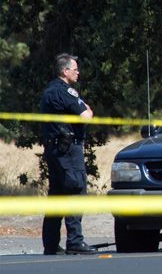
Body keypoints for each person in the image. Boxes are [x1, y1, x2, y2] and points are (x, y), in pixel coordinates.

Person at [39, 53, 97, 255]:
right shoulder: (66, 92)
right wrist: (87, 109)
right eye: (75, 69)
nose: (78, 72)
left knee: (56, 195)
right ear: (65, 71)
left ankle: (51, 243)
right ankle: (75, 241)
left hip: (54, 150)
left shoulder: (48, 91)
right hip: (68, 150)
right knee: (75, 190)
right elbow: (86, 116)